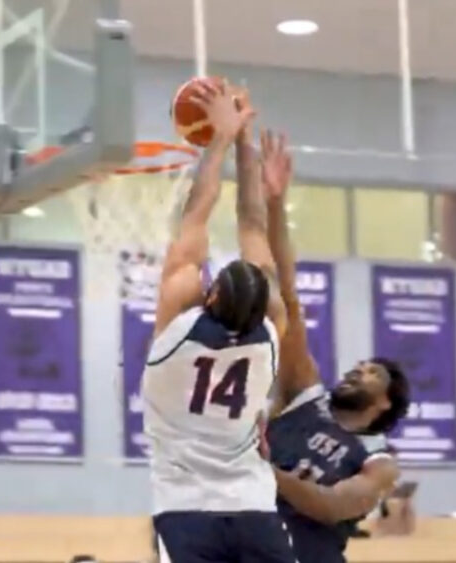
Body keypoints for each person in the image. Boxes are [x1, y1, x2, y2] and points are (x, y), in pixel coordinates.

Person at [142, 80, 296, 562]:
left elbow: (197, 212)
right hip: (253, 508)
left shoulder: (176, 337)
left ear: (207, 297)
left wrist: (224, 138)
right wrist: (246, 142)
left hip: (186, 511)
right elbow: (252, 222)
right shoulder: (270, 336)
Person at [256, 130, 411, 563]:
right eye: (357, 366)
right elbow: (288, 295)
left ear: (384, 402)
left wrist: (264, 471)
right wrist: (273, 203)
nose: (355, 372)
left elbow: (333, 506)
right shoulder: (304, 391)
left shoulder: (379, 461)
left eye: (370, 373)